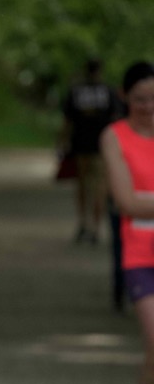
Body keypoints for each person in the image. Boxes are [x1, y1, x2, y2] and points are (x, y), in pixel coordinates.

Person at [101, 61, 154, 384]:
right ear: (125, 98)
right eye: (140, 99)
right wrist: (139, 202)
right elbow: (127, 202)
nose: (148, 107)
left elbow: (142, 199)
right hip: (140, 256)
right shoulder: (114, 137)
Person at [61, 58, 122, 244]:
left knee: (82, 185)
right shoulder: (108, 91)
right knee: (100, 186)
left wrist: (63, 141)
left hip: (80, 144)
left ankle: (83, 222)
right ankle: (96, 226)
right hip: (102, 145)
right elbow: (116, 119)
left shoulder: (76, 91)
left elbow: (67, 120)